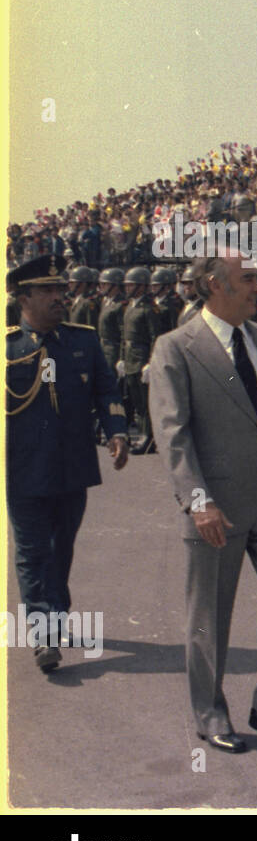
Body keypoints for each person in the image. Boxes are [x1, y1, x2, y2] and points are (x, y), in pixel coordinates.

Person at [149, 248, 257, 756]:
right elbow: (172, 434)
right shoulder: (176, 346)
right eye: (249, 279)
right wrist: (198, 500)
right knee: (209, 616)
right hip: (215, 505)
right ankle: (211, 712)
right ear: (216, 285)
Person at [7, 251, 129, 673]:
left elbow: (106, 391)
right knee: (32, 551)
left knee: (62, 549)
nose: (60, 297)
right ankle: (44, 635)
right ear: (24, 298)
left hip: (72, 466)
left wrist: (117, 431)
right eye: (48, 291)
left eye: (61, 289)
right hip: (23, 469)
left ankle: (53, 614)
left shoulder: (83, 340)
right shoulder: (8, 347)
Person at [120, 265, 162, 454]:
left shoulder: (149, 309)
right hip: (129, 358)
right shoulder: (130, 306)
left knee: (145, 401)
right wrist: (121, 359)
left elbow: (155, 336)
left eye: (131, 285)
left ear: (141, 287)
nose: (127, 288)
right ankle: (145, 434)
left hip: (141, 358)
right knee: (136, 400)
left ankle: (148, 437)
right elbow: (124, 335)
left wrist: (151, 362)